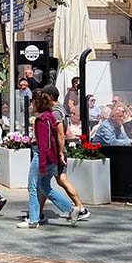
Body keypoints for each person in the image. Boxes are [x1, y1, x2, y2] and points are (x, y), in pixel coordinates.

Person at [17, 91, 81, 229]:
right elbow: (55, 137)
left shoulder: (41, 120)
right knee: (45, 186)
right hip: (51, 158)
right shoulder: (51, 117)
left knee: (33, 186)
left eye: (33, 102)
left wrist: (42, 164)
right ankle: (71, 208)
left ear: (37, 103)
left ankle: (33, 219)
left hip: (42, 157)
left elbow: (44, 144)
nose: (31, 105)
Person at [44, 86, 88, 220]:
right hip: (57, 151)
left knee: (57, 181)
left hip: (57, 152)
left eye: (44, 96)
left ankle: (80, 208)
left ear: (51, 96)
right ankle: (37, 212)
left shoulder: (56, 113)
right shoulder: (59, 110)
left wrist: (61, 152)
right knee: (50, 181)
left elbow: (61, 134)